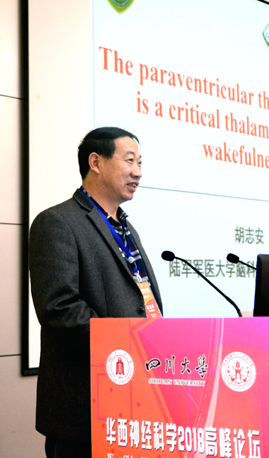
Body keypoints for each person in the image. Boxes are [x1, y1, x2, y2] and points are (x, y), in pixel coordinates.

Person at [27, 127, 163, 458]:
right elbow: (59, 309)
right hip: (85, 409)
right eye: (129, 160)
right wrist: (130, 343)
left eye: (141, 163)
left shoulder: (127, 229)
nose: (138, 172)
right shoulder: (57, 222)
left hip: (133, 399)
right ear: (96, 162)